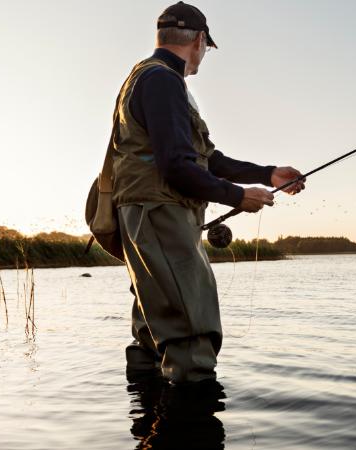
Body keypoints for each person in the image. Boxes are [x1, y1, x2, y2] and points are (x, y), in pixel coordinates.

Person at [112, 1, 305, 384]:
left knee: (152, 331)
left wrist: (268, 175)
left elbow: (206, 158)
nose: (203, 56)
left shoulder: (148, 77)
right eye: (206, 48)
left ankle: (148, 424)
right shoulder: (164, 81)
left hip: (146, 216)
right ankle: (190, 428)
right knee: (191, 333)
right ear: (200, 40)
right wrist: (237, 197)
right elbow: (176, 167)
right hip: (161, 215)